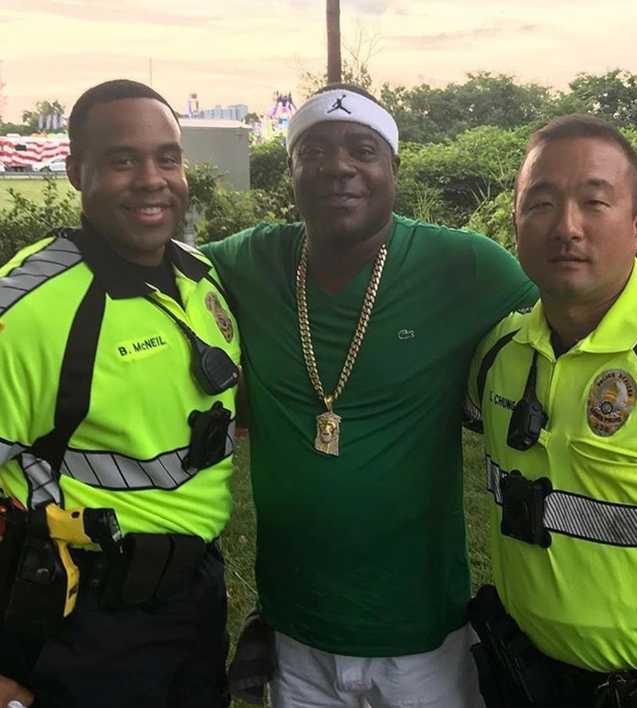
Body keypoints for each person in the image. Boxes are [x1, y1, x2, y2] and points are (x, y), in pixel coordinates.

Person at [202, 83, 537, 708]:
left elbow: (581, 306)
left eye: (363, 149)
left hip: (422, 638)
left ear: (394, 168)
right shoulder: (249, 261)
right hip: (296, 635)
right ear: (292, 169)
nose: (339, 168)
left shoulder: (461, 266)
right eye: (316, 152)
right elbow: (150, 267)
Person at [465, 114, 637, 707]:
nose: (567, 228)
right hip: (521, 680)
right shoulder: (497, 355)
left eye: (594, 202)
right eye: (542, 203)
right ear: (516, 221)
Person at [0, 80, 240, 708]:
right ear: (78, 171)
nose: (152, 179)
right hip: (82, 622)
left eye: (168, 157)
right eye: (122, 160)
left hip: (196, 606)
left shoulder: (200, 277)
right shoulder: (27, 308)